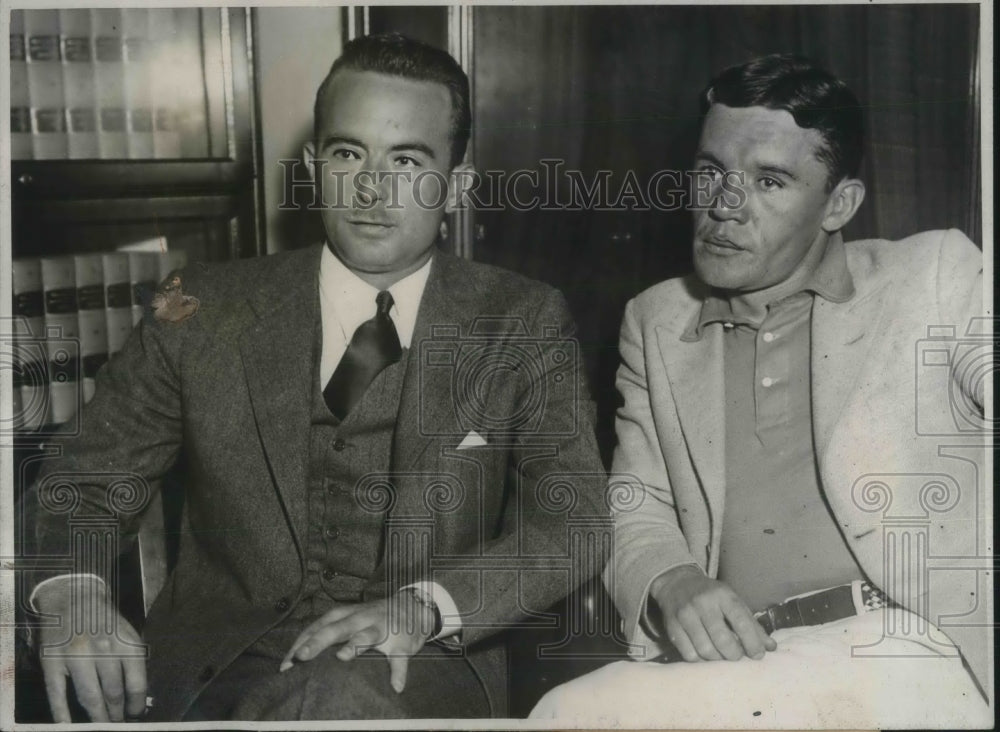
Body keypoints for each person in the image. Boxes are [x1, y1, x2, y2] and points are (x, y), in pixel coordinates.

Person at [22, 33, 606, 722]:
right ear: (313, 165)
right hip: (209, 677)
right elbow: (80, 482)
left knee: (342, 697)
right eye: (348, 153)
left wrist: (424, 608)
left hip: (410, 668)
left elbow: (574, 524)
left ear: (458, 184)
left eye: (408, 160)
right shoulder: (203, 309)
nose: (370, 187)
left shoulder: (522, 321)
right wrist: (71, 586)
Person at [531, 54, 991, 728]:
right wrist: (672, 578)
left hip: (912, 644)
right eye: (710, 171)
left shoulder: (934, 274)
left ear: (840, 205)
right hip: (744, 658)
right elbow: (638, 501)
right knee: (569, 711)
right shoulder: (656, 320)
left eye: (769, 180)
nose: (723, 205)